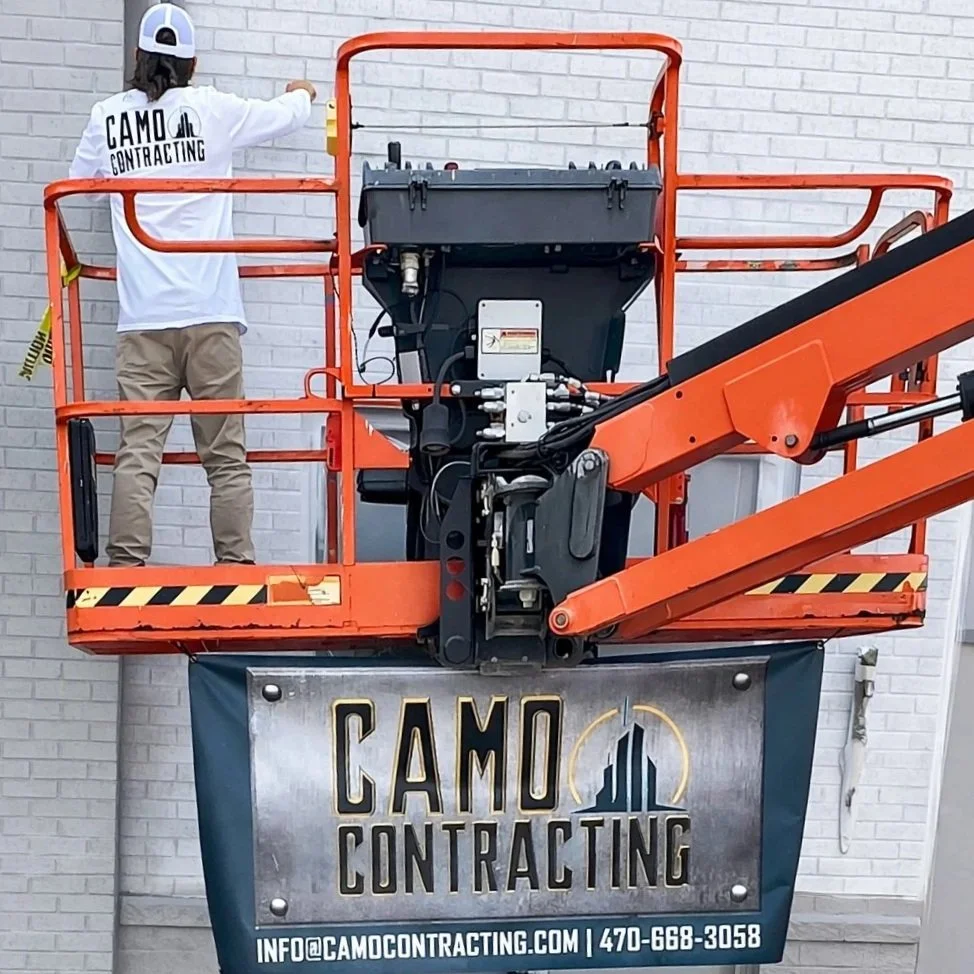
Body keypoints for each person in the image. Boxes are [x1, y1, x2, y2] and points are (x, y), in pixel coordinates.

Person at [67, 2, 317, 567]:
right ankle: (235, 563)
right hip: (210, 313)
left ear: (138, 57)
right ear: (192, 63)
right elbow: (285, 115)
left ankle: (126, 567)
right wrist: (302, 91)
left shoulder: (107, 116)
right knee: (225, 455)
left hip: (143, 319)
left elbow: (76, 186)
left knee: (138, 450)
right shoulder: (213, 109)